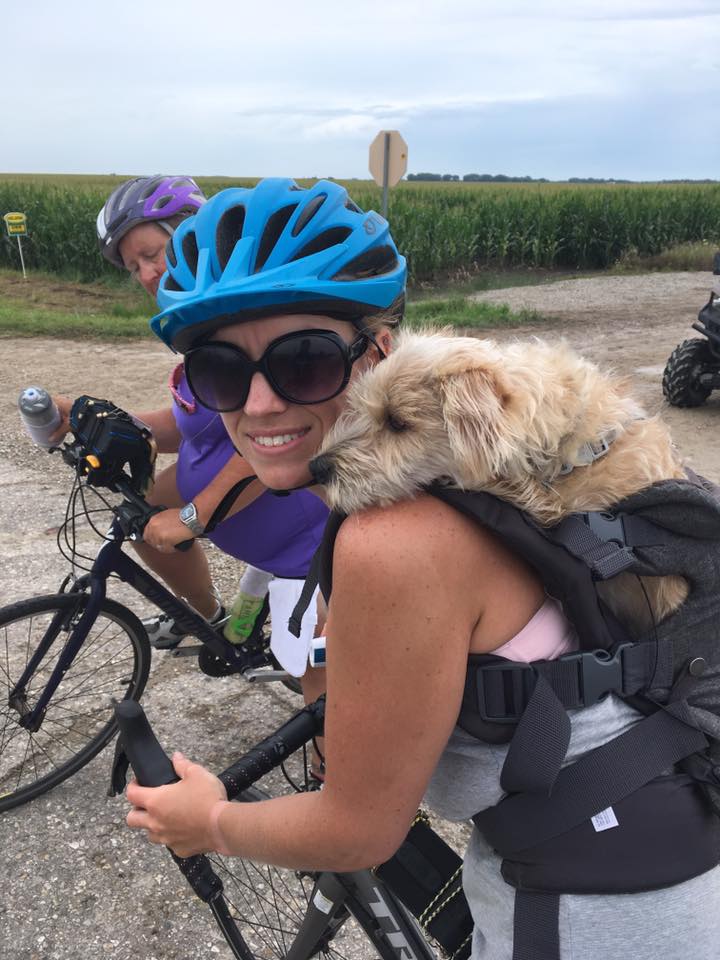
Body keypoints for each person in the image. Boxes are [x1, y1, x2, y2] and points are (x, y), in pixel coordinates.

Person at [125, 178, 720, 960]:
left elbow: (357, 829)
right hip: (667, 840)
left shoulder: (393, 539)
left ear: (379, 352)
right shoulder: (497, 460)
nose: (261, 404)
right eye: (221, 372)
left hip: (592, 914)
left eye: (303, 363)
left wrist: (207, 822)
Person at [51, 175, 328, 664]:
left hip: (297, 545)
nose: (144, 274)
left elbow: (272, 438)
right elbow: (186, 427)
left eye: (152, 254)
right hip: (237, 519)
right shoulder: (200, 331)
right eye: (134, 265)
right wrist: (90, 417)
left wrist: (190, 518)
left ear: (196, 236)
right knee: (138, 518)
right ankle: (206, 615)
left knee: (318, 696)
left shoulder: (245, 323)